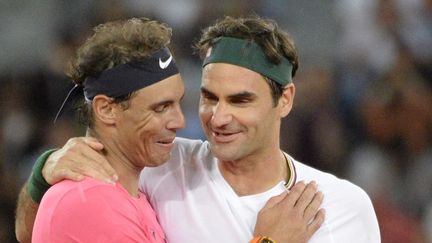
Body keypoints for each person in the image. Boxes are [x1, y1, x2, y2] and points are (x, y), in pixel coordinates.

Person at [15, 17, 325, 243]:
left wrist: (43, 174)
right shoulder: (91, 204)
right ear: (107, 109)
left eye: (178, 103)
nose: (179, 122)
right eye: (160, 107)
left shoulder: (132, 192)